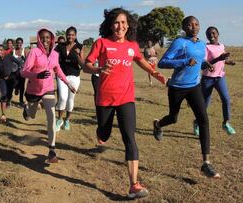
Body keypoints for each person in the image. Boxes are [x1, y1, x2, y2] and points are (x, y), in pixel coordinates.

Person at [83, 8, 166, 199]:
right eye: (116, 23)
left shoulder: (132, 45)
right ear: (111, 25)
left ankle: (133, 185)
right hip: (105, 98)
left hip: (126, 98)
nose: (120, 26)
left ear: (128, 25)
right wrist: (99, 68)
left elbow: (141, 60)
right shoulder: (101, 43)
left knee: (130, 138)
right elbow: (86, 65)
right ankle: (101, 131)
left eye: (123, 23)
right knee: (104, 134)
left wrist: (155, 73)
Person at [152, 16, 221, 178]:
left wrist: (206, 64)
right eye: (189, 25)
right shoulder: (179, 42)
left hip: (194, 86)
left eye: (196, 24)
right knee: (173, 118)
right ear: (184, 27)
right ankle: (158, 124)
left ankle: (206, 163)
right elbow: (163, 63)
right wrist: (183, 61)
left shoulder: (201, 44)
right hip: (177, 87)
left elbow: (199, 60)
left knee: (203, 119)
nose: (194, 27)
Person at [20, 28, 76, 163]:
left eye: (48, 38)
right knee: (31, 116)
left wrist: (68, 83)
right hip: (33, 91)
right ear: (39, 38)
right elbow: (24, 71)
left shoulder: (55, 54)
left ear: (52, 39)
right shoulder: (34, 52)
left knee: (51, 117)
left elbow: (58, 69)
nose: (45, 40)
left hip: (48, 90)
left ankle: (52, 150)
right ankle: (27, 111)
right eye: (43, 38)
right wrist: (36, 75)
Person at [193, 26, 236, 136]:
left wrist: (228, 61)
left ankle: (226, 123)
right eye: (208, 34)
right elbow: (204, 64)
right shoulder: (206, 47)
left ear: (218, 34)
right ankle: (197, 123)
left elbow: (222, 59)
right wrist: (219, 59)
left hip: (220, 77)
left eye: (213, 33)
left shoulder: (221, 46)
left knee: (226, 99)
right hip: (207, 79)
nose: (211, 35)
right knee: (205, 105)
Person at [55, 26, 84, 131]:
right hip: (62, 76)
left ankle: (67, 120)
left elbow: (82, 64)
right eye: (68, 34)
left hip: (75, 76)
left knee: (70, 99)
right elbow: (53, 58)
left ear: (75, 36)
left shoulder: (79, 46)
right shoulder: (60, 46)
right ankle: (59, 119)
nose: (70, 36)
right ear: (66, 35)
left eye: (72, 35)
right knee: (62, 97)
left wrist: (77, 55)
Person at [0, 44, 20, 123]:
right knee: (3, 96)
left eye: (1, 50)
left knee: (9, 95)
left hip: (11, 79)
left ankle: (9, 100)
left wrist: (16, 72)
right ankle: (3, 115)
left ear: (4, 50)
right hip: (2, 79)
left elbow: (18, 63)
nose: (0, 52)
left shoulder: (9, 57)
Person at [13, 37, 29, 106]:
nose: (19, 44)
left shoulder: (24, 51)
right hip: (14, 71)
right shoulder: (13, 51)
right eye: (18, 43)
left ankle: (21, 99)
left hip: (22, 71)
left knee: (22, 85)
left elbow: (28, 60)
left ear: (22, 43)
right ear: (16, 43)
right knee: (15, 83)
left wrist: (24, 60)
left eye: (20, 43)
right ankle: (16, 88)